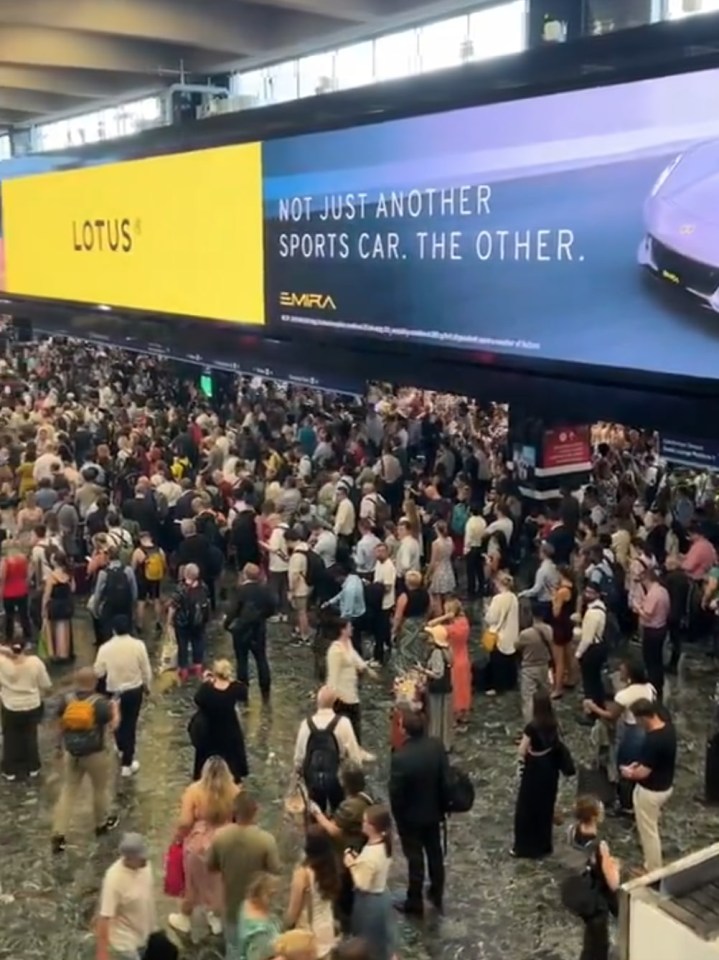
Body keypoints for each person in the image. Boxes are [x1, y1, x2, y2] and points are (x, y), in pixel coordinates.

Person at [168, 756, 241, 938]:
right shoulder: (235, 791)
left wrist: (177, 838)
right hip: (226, 844)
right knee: (219, 883)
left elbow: (185, 822)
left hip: (199, 847)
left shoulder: (194, 791)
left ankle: (184, 919)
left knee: (192, 884)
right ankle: (215, 916)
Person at [52, 667, 120, 853]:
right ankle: (100, 824)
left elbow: (59, 725)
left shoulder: (66, 700)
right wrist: (115, 710)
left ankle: (59, 833)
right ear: (94, 682)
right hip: (95, 753)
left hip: (72, 752)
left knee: (68, 792)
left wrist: (59, 747)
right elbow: (113, 725)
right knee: (99, 790)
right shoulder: (100, 703)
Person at [389, 711, 450, 917]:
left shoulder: (400, 758)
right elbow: (445, 779)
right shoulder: (436, 747)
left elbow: (396, 795)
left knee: (415, 859)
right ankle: (436, 892)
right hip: (433, 812)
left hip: (411, 818)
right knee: (435, 853)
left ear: (404, 730)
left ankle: (414, 901)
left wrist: (399, 821)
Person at [583, 657, 656, 814]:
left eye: (622, 670)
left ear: (629, 674)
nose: (619, 672)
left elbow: (611, 715)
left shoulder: (625, 695)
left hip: (632, 733)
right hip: (646, 731)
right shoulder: (649, 688)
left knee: (625, 766)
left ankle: (625, 805)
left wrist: (593, 707)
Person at [207, 792, 281, 948]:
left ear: (234, 812)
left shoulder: (220, 837)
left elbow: (210, 866)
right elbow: (276, 871)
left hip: (231, 906)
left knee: (233, 948)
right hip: (257, 907)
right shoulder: (266, 840)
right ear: (256, 810)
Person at [309, 767, 375, 929]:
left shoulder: (350, 806)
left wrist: (317, 814)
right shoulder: (366, 799)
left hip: (348, 851)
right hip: (360, 847)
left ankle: (346, 921)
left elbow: (335, 830)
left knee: (344, 890)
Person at [620, 698, 677, 874]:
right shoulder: (668, 728)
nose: (637, 724)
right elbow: (651, 762)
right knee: (650, 825)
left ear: (644, 718)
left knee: (648, 832)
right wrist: (638, 764)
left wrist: (628, 772)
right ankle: (651, 864)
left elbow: (644, 773)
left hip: (651, 791)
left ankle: (653, 869)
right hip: (665, 784)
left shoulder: (654, 741)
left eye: (638, 720)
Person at [512, 691, 571, 859]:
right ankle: (544, 845)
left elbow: (522, 750)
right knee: (545, 808)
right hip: (550, 770)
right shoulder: (554, 723)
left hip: (534, 771)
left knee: (527, 809)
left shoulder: (532, 726)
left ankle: (524, 847)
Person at [94, 615, 152, 777]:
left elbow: (98, 671)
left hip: (114, 691)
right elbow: (146, 669)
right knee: (130, 724)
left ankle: (120, 747)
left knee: (117, 722)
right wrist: (148, 686)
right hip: (134, 690)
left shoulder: (105, 648)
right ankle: (127, 762)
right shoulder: (138, 645)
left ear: (113, 630)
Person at [293, 686, 365, 813]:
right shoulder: (344, 723)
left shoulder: (305, 724)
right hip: (336, 779)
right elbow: (354, 757)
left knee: (316, 814)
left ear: (317, 702)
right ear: (336, 703)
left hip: (312, 779)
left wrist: (297, 775)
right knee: (339, 812)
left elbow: (299, 758)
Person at [567, 796, 620, 960]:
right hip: (596, 900)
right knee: (598, 944)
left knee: (591, 938)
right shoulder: (599, 846)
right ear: (594, 817)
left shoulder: (572, 831)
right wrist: (615, 866)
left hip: (579, 890)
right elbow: (613, 882)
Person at [345, 805, 397, 960]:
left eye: (365, 822)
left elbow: (362, 884)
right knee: (383, 937)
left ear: (372, 827)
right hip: (382, 894)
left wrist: (351, 864)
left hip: (370, 903)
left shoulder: (371, 854)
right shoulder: (383, 844)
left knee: (368, 939)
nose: (362, 824)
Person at [96, 833, 157, 960]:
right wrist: (102, 952)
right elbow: (104, 916)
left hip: (145, 935)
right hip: (125, 942)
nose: (144, 860)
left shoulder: (145, 866)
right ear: (128, 858)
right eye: (140, 858)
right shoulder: (114, 879)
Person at [285, 825, 340, 959]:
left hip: (308, 931)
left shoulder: (302, 874)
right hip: (327, 927)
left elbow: (294, 910)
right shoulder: (332, 866)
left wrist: (285, 926)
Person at [0, 637, 51, 780]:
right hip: (32, 704)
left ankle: (10, 769)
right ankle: (33, 767)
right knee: (30, 736)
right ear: (25, 647)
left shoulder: (2, 663)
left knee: (10, 737)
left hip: (11, 705)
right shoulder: (35, 663)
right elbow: (45, 684)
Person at [190, 659, 249, 783]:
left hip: (209, 733)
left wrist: (207, 681)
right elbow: (244, 692)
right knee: (232, 763)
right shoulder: (234, 689)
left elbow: (197, 700)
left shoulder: (206, 690)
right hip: (229, 733)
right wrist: (231, 680)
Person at [225, 563, 276, 702]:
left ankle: (243, 691)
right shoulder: (264, 590)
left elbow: (233, 610)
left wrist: (227, 624)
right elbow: (272, 606)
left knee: (242, 661)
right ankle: (265, 690)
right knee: (261, 659)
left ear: (245, 574)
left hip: (241, 631)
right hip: (258, 629)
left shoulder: (240, 591)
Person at [326, 618, 377, 744]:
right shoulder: (335, 651)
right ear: (343, 630)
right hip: (341, 697)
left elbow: (356, 659)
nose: (352, 629)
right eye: (350, 627)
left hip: (352, 695)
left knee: (355, 728)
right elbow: (333, 676)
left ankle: (355, 751)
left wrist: (368, 670)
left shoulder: (348, 644)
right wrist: (331, 697)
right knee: (342, 728)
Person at [168, 562, 210, 682]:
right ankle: (198, 667)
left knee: (182, 645)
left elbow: (173, 606)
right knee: (198, 643)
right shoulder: (203, 586)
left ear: (185, 573)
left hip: (183, 623)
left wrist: (169, 622)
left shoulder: (181, 588)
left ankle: (184, 670)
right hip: (199, 622)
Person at [634, 567, 670, 701]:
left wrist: (638, 607)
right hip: (662, 627)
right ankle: (658, 683)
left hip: (652, 630)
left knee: (651, 660)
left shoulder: (653, 594)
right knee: (658, 659)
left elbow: (647, 615)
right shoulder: (663, 591)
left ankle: (653, 685)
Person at [516, 601, 553, 724]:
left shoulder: (526, 634)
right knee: (545, 697)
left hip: (529, 667)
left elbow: (517, 646)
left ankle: (530, 730)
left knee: (528, 700)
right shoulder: (549, 629)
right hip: (544, 666)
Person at [484, 572, 520, 695]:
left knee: (498, 662)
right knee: (510, 661)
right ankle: (511, 683)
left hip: (499, 635)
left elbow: (491, 618)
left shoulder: (497, 599)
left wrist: (487, 610)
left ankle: (499, 686)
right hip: (512, 633)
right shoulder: (514, 597)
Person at [232, 871, 281, 960]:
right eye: (271, 895)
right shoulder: (258, 931)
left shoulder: (248, 904)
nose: (274, 898)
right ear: (258, 894)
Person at [576, 582, 608, 713]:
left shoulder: (592, 613)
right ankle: (599, 705)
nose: (587, 595)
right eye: (586, 592)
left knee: (589, 682)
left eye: (591, 592)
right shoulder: (601, 608)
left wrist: (578, 653)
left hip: (592, 649)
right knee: (595, 680)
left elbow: (587, 639)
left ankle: (591, 711)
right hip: (599, 646)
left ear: (597, 594)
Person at [390, 569, 430, 675]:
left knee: (405, 652)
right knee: (419, 651)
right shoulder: (425, 594)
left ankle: (406, 679)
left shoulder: (404, 597)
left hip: (407, 626)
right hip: (420, 624)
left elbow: (398, 615)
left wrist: (394, 630)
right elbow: (429, 609)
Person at [421, 624, 454, 751]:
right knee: (445, 718)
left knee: (435, 718)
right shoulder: (447, 651)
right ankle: (445, 744)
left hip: (437, 689)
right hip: (446, 688)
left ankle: (435, 745)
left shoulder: (436, 653)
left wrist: (423, 671)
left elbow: (437, 673)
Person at [42, 550, 75, 661]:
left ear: (55, 562)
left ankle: (56, 653)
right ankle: (65, 653)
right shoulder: (69, 574)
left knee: (53, 629)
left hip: (55, 604)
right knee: (65, 626)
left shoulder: (51, 576)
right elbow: (73, 589)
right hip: (66, 603)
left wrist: (43, 607)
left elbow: (47, 594)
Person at [131, 531, 167, 632]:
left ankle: (140, 625)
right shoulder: (159, 550)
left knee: (141, 601)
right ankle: (158, 622)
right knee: (156, 599)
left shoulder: (138, 551)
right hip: (156, 579)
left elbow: (133, 567)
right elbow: (164, 565)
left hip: (142, 579)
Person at [0, 539, 31, 643]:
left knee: (9, 616)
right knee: (24, 615)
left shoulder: (6, 561)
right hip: (22, 590)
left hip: (8, 592)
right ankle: (28, 635)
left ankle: (9, 636)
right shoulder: (23, 559)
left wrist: (1, 591)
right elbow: (26, 575)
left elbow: (2, 577)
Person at [426, 520, 456, 616]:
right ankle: (449, 617)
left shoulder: (436, 543)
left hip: (439, 571)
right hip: (448, 568)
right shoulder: (450, 540)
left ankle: (439, 618)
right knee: (448, 598)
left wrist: (427, 574)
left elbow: (433, 561)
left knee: (437, 598)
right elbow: (453, 552)